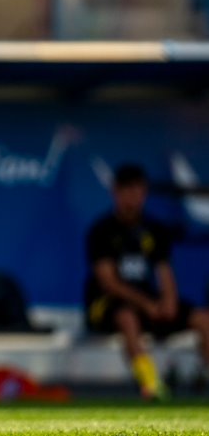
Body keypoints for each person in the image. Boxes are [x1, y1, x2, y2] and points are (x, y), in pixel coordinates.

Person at [85, 163, 209, 400]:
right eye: (127, 191)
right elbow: (109, 283)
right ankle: (150, 384)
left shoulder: (154, 230)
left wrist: (169, 302)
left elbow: (165, 271)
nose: (133, 198)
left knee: (204, 318)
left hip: (149, 303)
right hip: (107, 305)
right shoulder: (102, 231)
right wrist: (147, 305)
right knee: (126, 317)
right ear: (116, 193)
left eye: (138, 191)